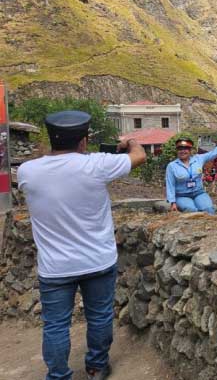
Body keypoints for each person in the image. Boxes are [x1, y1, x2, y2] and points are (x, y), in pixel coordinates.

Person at [17, 110, 147, 380]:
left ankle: (59, 375)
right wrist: (129, 143)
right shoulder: (97, 165)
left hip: (55, 268)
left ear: (51, 137)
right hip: (98, 260)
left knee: (55, 326)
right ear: (83, 141)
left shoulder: (28, 171)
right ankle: (96, 367)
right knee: (99, 317)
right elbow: (140, 156)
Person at [166, 130, 217, 214]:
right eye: (180, 149)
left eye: (185, 149)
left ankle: (210, 227)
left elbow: (213, 153)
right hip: (182, 195)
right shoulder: (172, 166)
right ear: (177, 151)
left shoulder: (199, 159)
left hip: (199, 193)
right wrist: (173, 202)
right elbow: (170, 185)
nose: (182, 151)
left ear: (190, 150)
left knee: (208, 209)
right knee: (191, 210)